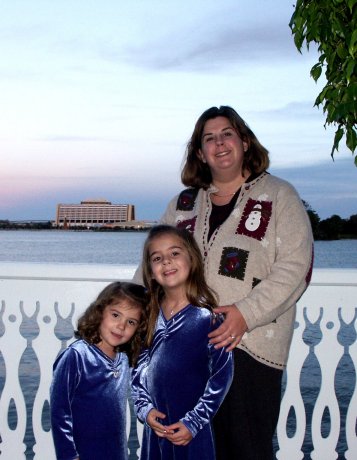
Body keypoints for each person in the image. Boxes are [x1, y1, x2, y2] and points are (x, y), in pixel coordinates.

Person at [135, 106, 314, 459]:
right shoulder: (183, 203)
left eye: (227, 134)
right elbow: (151, 268)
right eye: (209, 138)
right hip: (181, 352)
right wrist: (128, 320)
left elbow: (297, 266)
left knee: (245, 449)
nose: (219, 144)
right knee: (188, 448)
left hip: (248, 347)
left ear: (245, 142)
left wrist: (245, 313)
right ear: (200, 152)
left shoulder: (279, 195)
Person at [131, 224, 233, 460]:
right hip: (156, 428)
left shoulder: (209, 318)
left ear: (192, 259)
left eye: (174, 253)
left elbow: (222, 376)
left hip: (191, 430)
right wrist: (144, 409)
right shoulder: (148, 315)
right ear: (151, 270)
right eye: (157, 258)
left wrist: (194, 421)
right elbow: (138, 368)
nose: (166, 261)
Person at [50, 281, 148, 460]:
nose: (121, 326)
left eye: (131, 322)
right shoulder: (76, 356)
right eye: (116, 315)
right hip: (83, 452)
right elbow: (59, 411)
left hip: (115, 452)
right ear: (100, 311)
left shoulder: (124, 359)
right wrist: (69, 455)